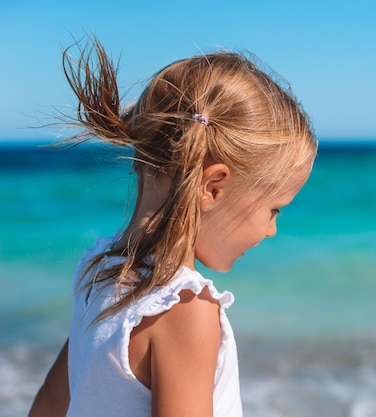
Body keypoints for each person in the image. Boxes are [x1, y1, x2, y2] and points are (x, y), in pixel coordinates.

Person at [28, 36, 317, 417]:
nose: (271, 231)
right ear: (212, 187)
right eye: (274, 210)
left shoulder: (98, 272)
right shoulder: (185, 310)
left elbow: (49, 405)